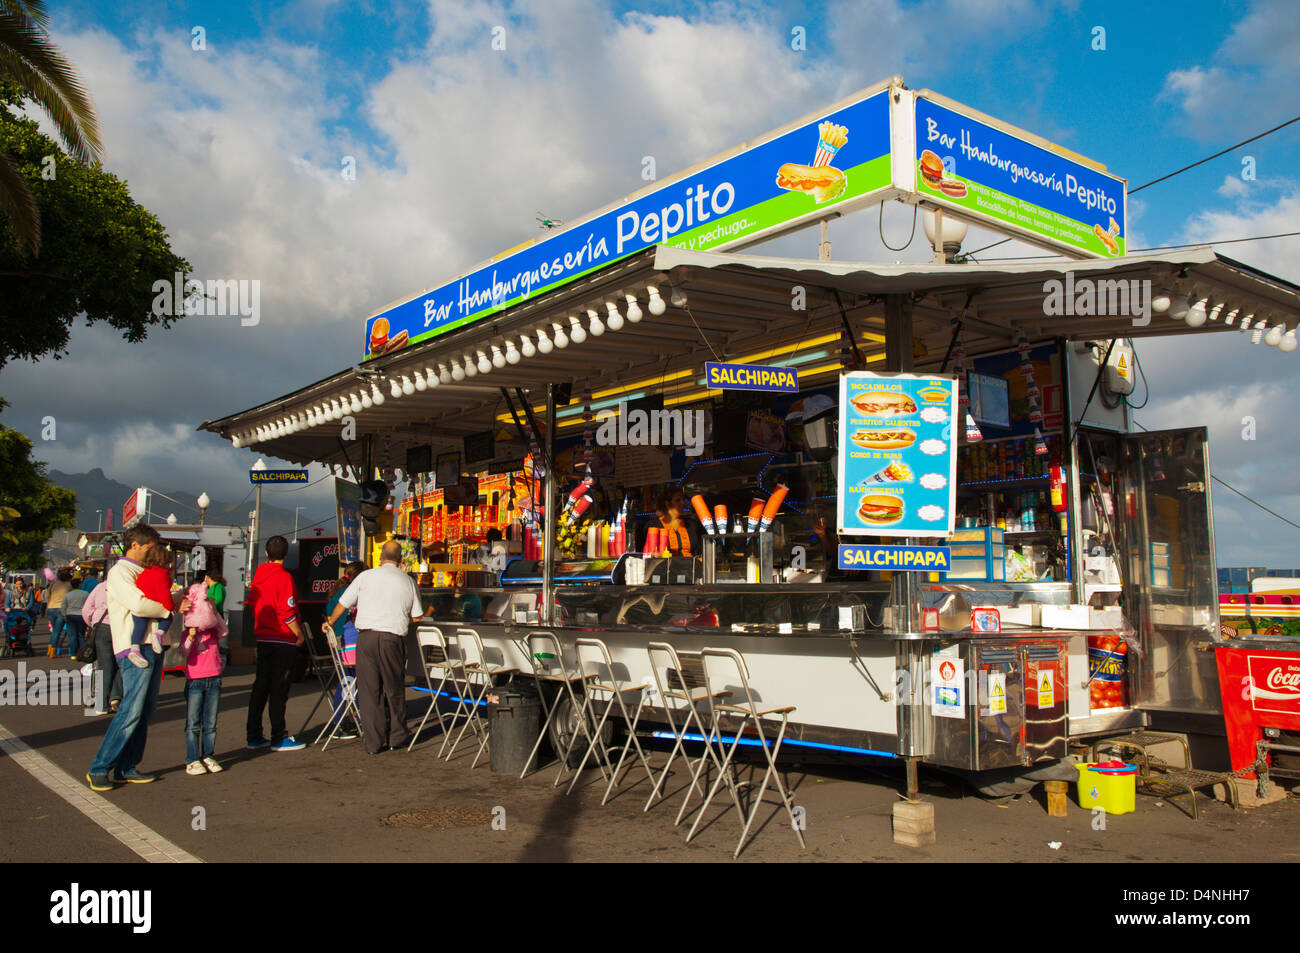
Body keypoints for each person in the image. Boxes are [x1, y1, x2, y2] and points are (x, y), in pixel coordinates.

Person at [86, 524, 187, 791]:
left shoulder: (144, 570)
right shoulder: (120, 572)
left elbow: (156, 601)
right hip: (134, 648)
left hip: (151, 646)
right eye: (150, 547)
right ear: (135, 545)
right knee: (131, 709)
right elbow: (139, 604)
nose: (154, 552)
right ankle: (99, 767)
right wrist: (169, 610)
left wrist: (176, 599)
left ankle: (126, 766)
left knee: (144, 711)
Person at [322, 541, 424, 755]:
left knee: (369, 691)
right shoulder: (408, 581)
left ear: (380, 557)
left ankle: (373, 743)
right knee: (393, 688)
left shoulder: (364, 577)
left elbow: (344, 602)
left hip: (365, 639)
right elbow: (417, 617)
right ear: (401, 560)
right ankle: (397, 737)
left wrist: (330, 622)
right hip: (392, 639)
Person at [246, 536, 307, 752]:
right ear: (286, 554)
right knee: (279, 689)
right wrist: (298, 634)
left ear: (266, 553)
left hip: (263, 636)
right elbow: (287, 611)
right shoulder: (284, 578)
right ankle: (278, 736)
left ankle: (253, 735)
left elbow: (254, 603)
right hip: (282, 638)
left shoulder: (259, 576)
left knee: (260, 686)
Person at [181, 580, 227, 775]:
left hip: (214, 677)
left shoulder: (214, 631)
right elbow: (184, 652)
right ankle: (192, 759)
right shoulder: (189, 632)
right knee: (193, 723)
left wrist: (214, 610)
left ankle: (209, 755)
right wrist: (191, 636)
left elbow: (224, 631)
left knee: (210, 722)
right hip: (195, 680)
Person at [321, 561, 364, 740]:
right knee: (355, 681)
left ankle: (342, 720)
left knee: (346, 681)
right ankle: (351, 720)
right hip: (350, 646)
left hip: (338, 646)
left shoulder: (335, 593)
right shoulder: (353, 594)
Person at [125, 544, 174, 668]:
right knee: (167, 618)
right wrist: (170, 607)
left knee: (139, 627)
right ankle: (157, 635)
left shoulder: (144, 572)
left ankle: (134, 648)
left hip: (140, 609)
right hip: (155, 607)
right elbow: (165, 595)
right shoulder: (162, 575)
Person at [82, 578, 122, 714]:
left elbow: (86, 609)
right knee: (119, 662)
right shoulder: (127, 585)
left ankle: (102, 704)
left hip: (102, 627)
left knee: (104, 665)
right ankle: (116, 696)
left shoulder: (100, 587)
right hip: (121, 627)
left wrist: (92, 623)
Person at [648, 488, 701, 557]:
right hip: (666, 566)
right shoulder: (654, 526)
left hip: (692, 566)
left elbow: (699, 551)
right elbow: (648, 554)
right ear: (667, 504)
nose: (683, 503)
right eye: (678, 500)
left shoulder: (691, 525)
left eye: (683, 500)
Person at [60, 577, 89, 658]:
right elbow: (89, 605)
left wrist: (64, 615)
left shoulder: (67, 595)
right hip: (81, 616)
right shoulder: (85, 593)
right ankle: (82, 653)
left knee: (72, 635)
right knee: (81, 635)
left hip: (70, 616)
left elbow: (63, 607)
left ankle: (73, 654)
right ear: (79, 585)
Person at [46, 569, 72, 656]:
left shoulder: (53, 584)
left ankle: (50, 650)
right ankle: (53, 651)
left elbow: (47, 595)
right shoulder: (69, 585)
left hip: (51, 608)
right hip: (61, 609)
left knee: (55, 630)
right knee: (57, 631)